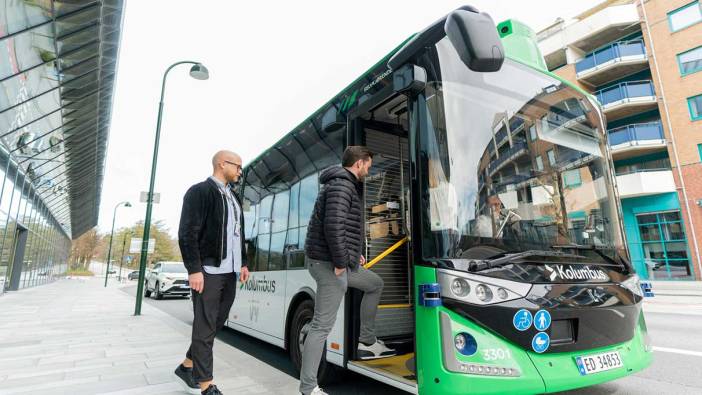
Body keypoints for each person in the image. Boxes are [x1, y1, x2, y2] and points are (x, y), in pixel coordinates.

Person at [299, 146, 396, 395]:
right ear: (359, 163)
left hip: (337, 260)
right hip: (329, 264)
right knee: (321, 325)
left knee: (374, 283)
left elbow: (341, 227)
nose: (369, 170)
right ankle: (308, 388)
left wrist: (353, 254)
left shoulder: (344, 184)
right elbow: (333, 226)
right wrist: (342, 261)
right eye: (368, 165)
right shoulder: (342, 186)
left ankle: (367, 340)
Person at [175, 150, 250, 395]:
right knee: (206, 323)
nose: (240, 171)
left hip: (230, 271)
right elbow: (187, 233)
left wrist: (244, 262)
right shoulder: (199, 192)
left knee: (216, 321)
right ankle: (206, 384)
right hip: (208, 270)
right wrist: (194, 269)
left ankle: (188, 365)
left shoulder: (234, 198)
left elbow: (239, 235)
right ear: (222, 164)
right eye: (237, 166)